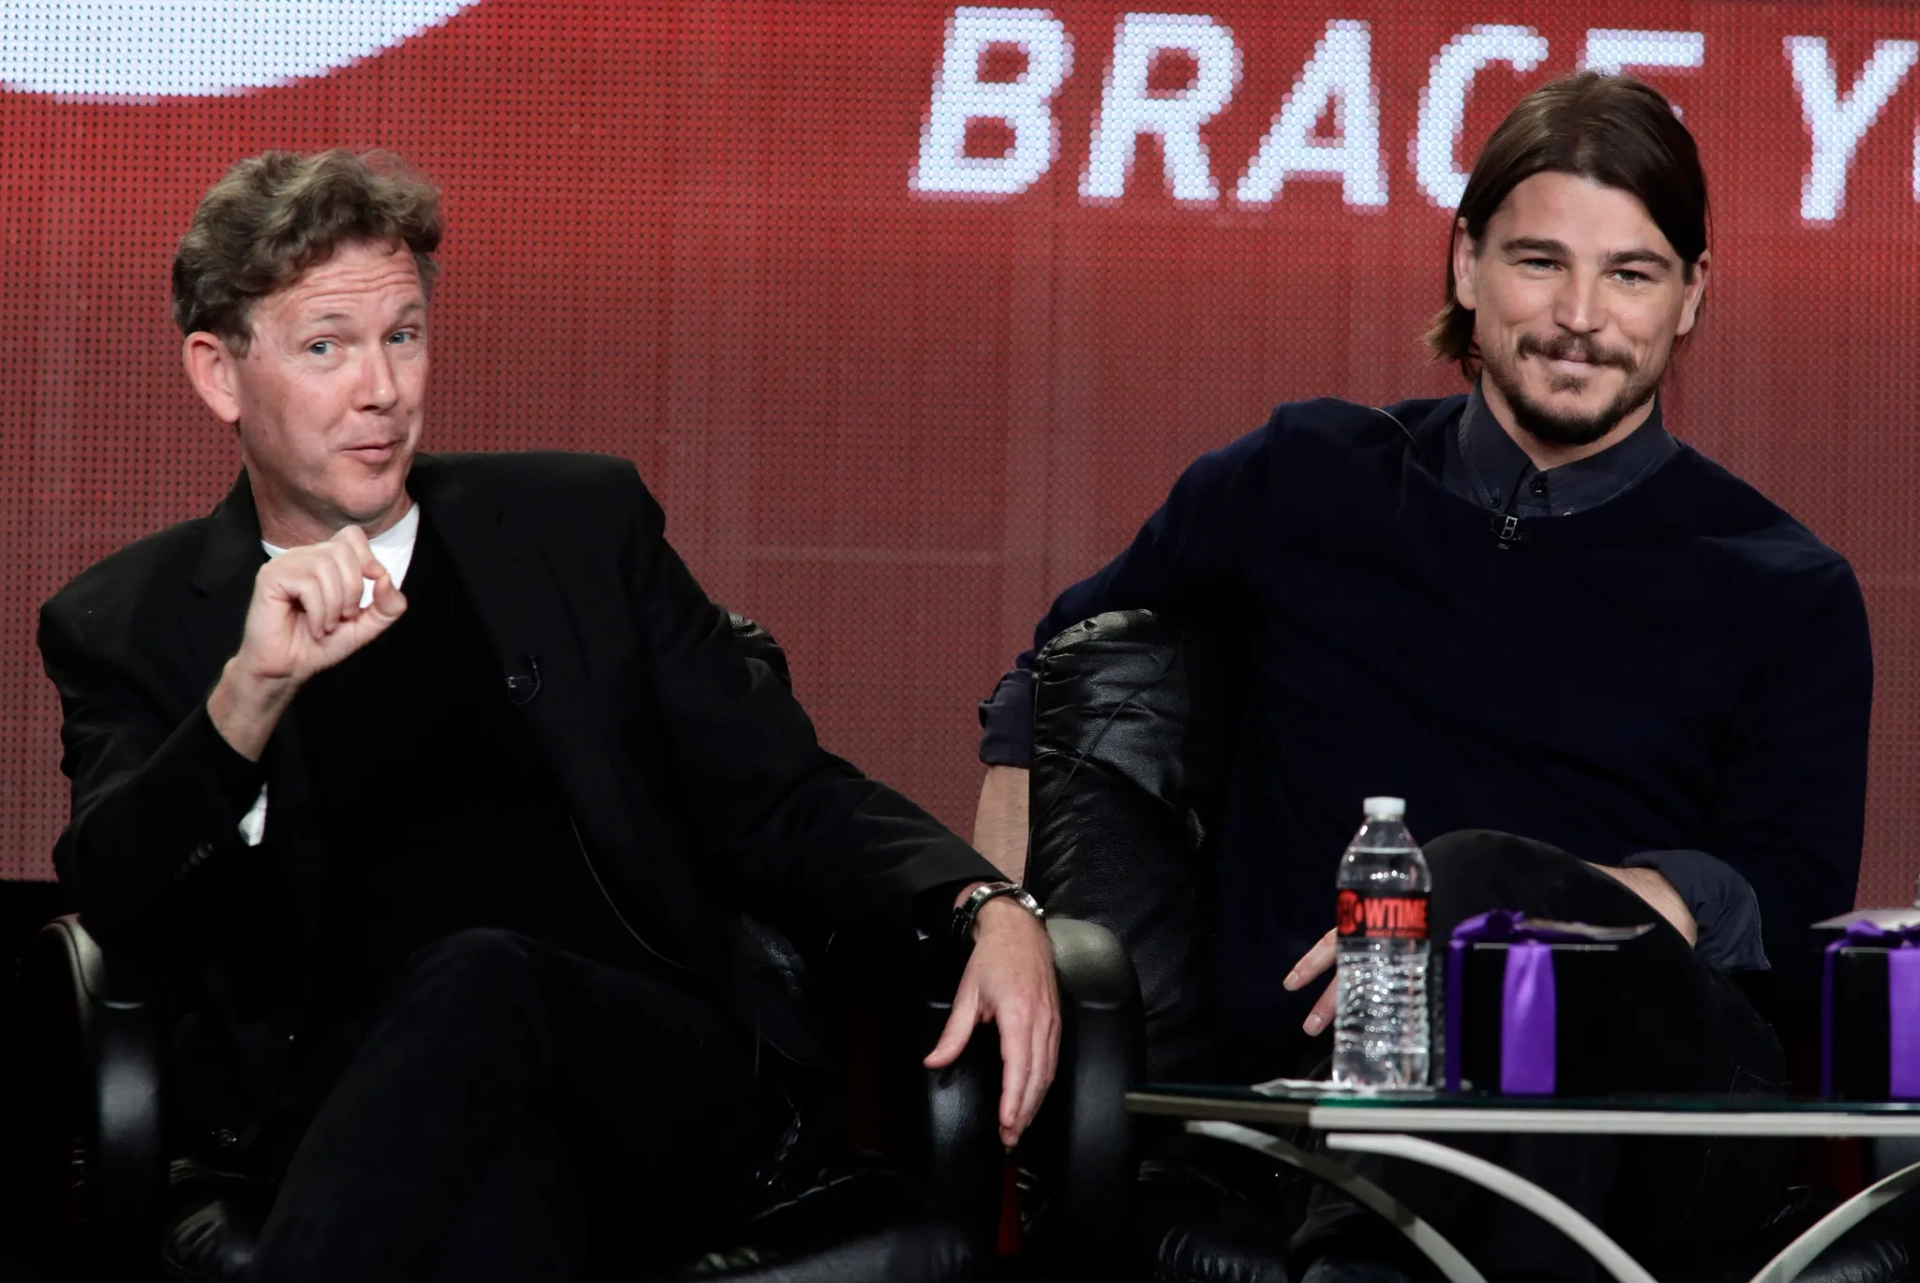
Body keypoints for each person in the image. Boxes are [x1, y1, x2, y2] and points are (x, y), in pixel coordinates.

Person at [39, 149, 1059, 1282]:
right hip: (350, 1113)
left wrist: (983, 898)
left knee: (485, 977)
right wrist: (249, 696)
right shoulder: (127, 619)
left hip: (649, 1077)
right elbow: (119, 897)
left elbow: (779, 793)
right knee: (498, 1185)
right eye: (326, 345)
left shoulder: (576, 527)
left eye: (404, 334)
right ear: (219, 373)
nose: (382, 388)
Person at [971, 73, 1871, 1279]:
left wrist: (1479, 915)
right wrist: (1002, 918)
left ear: (1692, 294)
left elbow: (1787, 909)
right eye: (1539, 262)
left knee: (1481, 881)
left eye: (1632, 274)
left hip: (1649, 1118)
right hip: (1298, 1104)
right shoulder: (1306, 477)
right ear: (1465, 265)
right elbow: (1057, 688)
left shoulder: (1782, 583)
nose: (1580, 316)